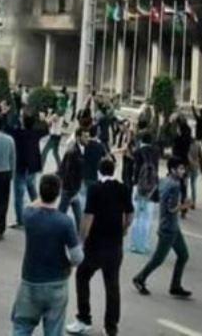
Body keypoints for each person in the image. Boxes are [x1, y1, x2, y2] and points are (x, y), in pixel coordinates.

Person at [67, 159, 133, 336]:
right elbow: (130, 213)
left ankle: (84, 318)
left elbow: (88, 216)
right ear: (114, 170)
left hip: (95, 245)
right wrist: (124, 229)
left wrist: (81, 240)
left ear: (99, 171)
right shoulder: (123, 188)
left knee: (82, 276)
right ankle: (111, 327)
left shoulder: (95, 189)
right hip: (114, 245)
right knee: (112, 286)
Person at [11, 174, 83, 336]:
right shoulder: (65, 222)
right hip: (56, 282)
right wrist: (68, 264)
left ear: (40, 191)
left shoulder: (28, 216)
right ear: (58, 194)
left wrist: (41, 197)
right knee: (53, 329)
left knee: (22, 326)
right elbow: (77, 257)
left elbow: (31, 204)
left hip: (30, 282)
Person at [132, 157, 192, 298]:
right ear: (173, 170)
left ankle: (175, 286)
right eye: (180, 169)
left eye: (183, 168)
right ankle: (140, 278)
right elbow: (172, 208)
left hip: (171, 226)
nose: (183, 171)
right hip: (169, 229)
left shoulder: (165, 181)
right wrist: (185, 206)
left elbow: (156, 197)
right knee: (158, 259)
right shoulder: (175, 186)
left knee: (183, 255)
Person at [10, 113, 49, 228]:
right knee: (33, 191)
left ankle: (20, 220)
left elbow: (8, 127)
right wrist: (43, 120)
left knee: (19, 196)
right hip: (32, 167)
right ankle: (40, 214)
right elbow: (46, 130)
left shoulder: (18, 133)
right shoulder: (35, 133)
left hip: (21, 166)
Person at [129, 131, 159, 254]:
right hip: (152, 188)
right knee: (147, 218)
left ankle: (135, 244)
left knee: (137, 217)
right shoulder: (156, 152)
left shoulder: (138, 152)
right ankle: (144, 244)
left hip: (139, 186)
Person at [58, 127, 89, 230]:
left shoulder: (81, 150)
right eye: (85, 137)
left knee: (75, 213)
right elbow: (68, 172)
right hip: (69, 189)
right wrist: (73, 190)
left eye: (88, 136)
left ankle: (81, 232)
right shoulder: (74, 152)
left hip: (73, 188)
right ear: (78, 137)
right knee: (62, 213)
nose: (87, 139)